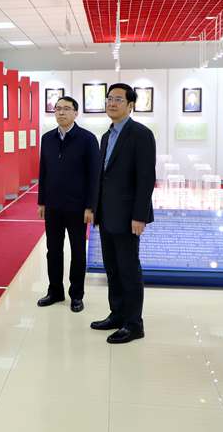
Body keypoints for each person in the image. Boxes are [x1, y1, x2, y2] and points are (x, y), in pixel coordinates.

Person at [90, 83, 156, 344]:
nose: (112, 103)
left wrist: (139, 216)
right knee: (112, 268)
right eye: (109, 98)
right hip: (107, 214)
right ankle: (117, 314)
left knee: (128, 269)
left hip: (129, 216)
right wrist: (95, 210)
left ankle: (134, 323)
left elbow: (146, 178)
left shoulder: (141, 134)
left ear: (130, 105)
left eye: (118, 99)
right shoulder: (106, 136)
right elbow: (102, 177)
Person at [37, 96, 99, 313]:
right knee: (53, 250)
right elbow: (43, 172)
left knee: (78, 252)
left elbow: (94, 176)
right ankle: (55, 291)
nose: (61, 112)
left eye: (66, 109)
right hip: (53, 206)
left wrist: (90, 206)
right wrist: (41, 201)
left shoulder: (87, 139)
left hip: (78, 207)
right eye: (57, 109)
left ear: (75, 113)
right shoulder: (47, 138)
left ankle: (77, 295)